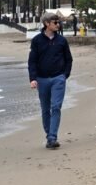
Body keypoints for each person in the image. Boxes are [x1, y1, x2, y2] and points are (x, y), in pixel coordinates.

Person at [28, 12, 73, 149]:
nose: (58, 24)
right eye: (55, 22)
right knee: (45, 109)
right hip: (42, 79)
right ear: (47, 23)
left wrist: (64, 75)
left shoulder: (62, 41)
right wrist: (33, 78)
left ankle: (52, 137)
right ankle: (49, 135)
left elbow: (69, 59)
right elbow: (32, 61)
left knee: (56, 107)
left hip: (58, 78)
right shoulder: (36, 41)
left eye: (58, 22)